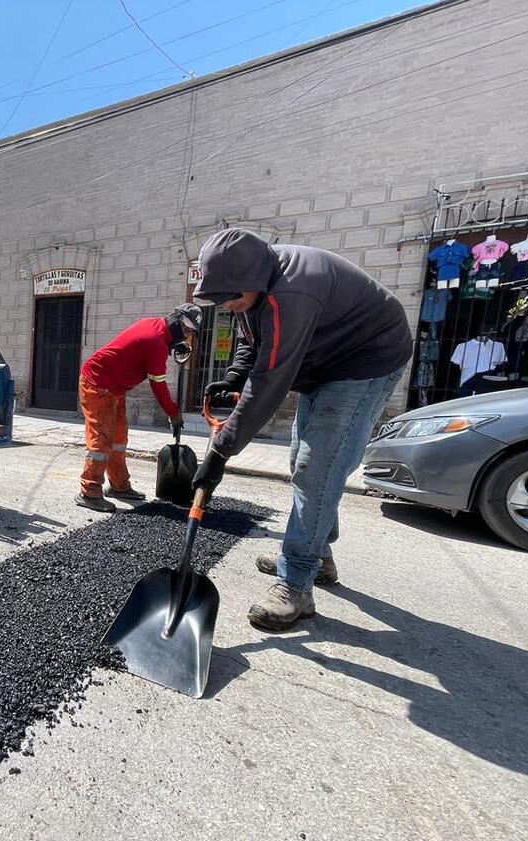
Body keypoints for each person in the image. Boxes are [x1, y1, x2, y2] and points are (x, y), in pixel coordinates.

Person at [191, 228, 410, 630]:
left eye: (232, 297)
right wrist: (236, 373)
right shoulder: (251, 287)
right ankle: (317, 556)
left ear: (253, 279)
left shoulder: (291, 293)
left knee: (318, 468)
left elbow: (269, 382)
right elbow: (251, 338)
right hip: (322, 363)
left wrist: (221, 451)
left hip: (365, 360)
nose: (229, 305)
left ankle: (296, 584)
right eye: (221, 300)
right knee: (304, 463)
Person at [76, 303, 203, 512]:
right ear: (176, 321)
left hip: (115, 388)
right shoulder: (156, 343)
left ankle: (119, 486)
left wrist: (170, 347)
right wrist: (173, 413)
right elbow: (158, 386)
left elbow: (142, 348)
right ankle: (89, 491)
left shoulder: (156, 330)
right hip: (97, 384)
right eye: (186, 330)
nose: (187, 335)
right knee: (102, 439)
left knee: (118, 439)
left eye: (190, 333)